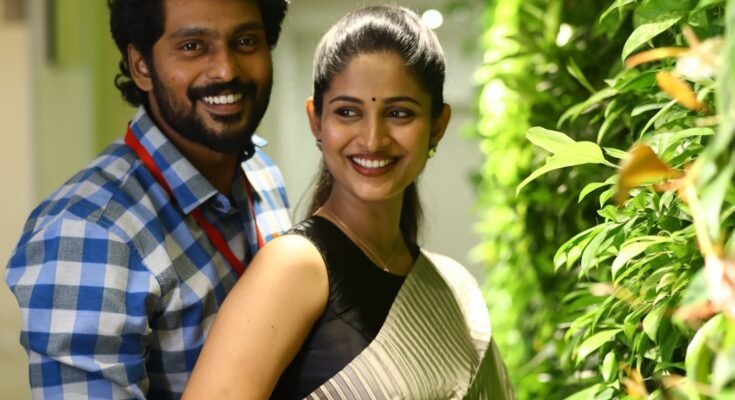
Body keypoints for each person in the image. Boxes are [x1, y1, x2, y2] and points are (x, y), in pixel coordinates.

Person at [182, 5, 514, 399]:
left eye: (399, 113)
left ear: (437, 125)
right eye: (347, 112)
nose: (373, 139)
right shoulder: (293, 267)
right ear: (316, 121)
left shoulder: (451, 284)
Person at [4, 0, 291, 398]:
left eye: (245, 41)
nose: (226, 70)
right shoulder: (90, 233)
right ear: (141, 66)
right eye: (192, 46)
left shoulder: (263, 175)